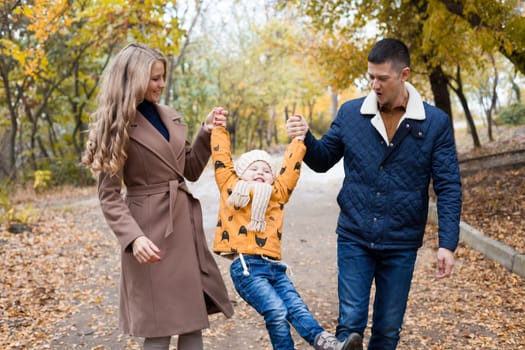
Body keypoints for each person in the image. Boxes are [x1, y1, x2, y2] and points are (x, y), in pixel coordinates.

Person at [286, 38, 462, 350]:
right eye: (370, 77)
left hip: (401, 241)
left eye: (382, 78)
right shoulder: (352, 113)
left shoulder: (435, 123)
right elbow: (324, 159)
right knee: (350, 324)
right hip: (354, 234)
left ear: (404, 75)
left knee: (387, 331)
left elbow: (448, 185)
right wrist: (306, 139)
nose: (374, 84)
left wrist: (447, 244)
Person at [82, 42, 233, 350]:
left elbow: (188, 169)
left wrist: (205, 132)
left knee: (192, 322)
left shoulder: (169, 116)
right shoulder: (117, 125)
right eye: (154, 78)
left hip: (183, 229)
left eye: (162, 77)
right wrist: (133, 239)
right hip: (149, 236)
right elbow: (109, 196)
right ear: (134, 78)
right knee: (159, 329)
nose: (161, 84)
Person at [210, 123, 363, 350]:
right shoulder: (231, 188)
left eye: (266, 170)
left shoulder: (277, 194)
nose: (260, 172)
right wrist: (218, 129)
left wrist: (299, 140)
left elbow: (290, 168)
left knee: (297, 308)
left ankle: (330, 345)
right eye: (254, 168)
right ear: (240, 173)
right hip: (247, 269)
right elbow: (221, 158)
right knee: (277, 310)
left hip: (274, 268)